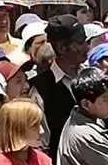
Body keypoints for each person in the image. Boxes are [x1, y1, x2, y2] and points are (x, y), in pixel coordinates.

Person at [33, 14, 88, 157]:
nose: (86, 47)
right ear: (62, 48)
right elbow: (41, 143)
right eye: (80, 42)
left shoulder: (92, 75)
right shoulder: (40, 90)